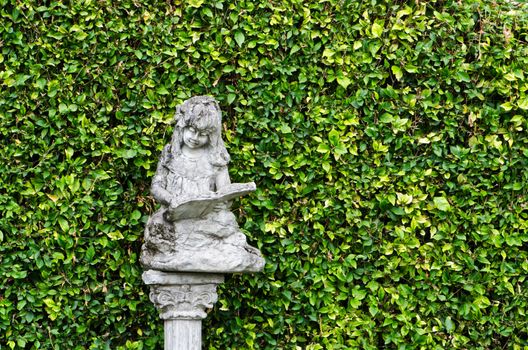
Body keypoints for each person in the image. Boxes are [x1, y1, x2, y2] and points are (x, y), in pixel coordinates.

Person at [140, 96, 264, 272]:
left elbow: (224, 192)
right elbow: (156, 186)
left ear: (211, 136)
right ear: (182, 127)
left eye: (203, 134)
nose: (195, 137)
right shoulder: (171, 155)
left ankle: (207, 250)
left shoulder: (215, 159)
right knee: (158, 227)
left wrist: (222, 201)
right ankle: (185, 251)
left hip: (205, 217)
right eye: (191, 130)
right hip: (174, 216)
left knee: (227, 219)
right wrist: (171, 199)